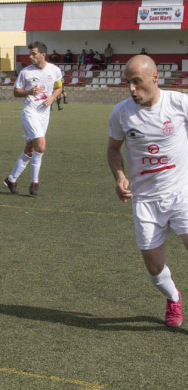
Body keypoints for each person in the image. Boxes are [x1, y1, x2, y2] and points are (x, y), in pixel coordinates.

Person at [107, 55, 186, 328]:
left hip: (181, 195)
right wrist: (119, 177)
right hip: (145, 201)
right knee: (154, 268)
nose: (131, 89)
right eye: (128, 83)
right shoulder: (121, 113)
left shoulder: (179, 104)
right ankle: (173, 297)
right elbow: (113, 150)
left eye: (136, 82)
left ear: (154, 78)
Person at [3, 41, 62, 196]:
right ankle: (34, 183)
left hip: (44, 114)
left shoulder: (54, 70)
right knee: (41, 146)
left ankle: (11, 179)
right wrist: (28, 92)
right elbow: (16, 92)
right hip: (30, 112)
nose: (31, 56)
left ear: (43, 55)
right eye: (30, 54)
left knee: (30, 150)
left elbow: (59, 87)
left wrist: (53, 97)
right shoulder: (25, 72)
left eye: (34, 54)